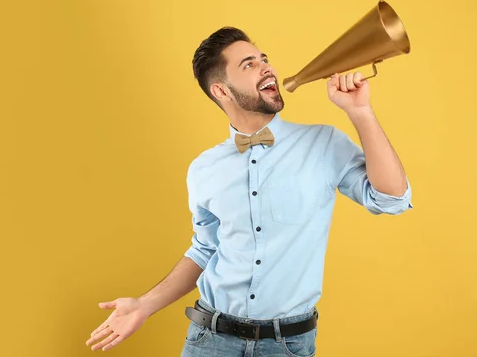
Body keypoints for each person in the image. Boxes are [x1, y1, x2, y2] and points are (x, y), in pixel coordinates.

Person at [85, 27, 412, 356]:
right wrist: (144, 305)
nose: (267, 67)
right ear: (221, 91)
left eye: (264, 59)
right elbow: (204, 249)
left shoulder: (324, 143)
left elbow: (392, 199)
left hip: (287, 346)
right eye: (249, 64)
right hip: (209, 341)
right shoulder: (204, 168)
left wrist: (360, 112)